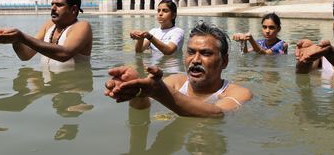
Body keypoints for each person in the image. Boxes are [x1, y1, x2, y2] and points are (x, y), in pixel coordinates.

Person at [105, 21, 253, 117]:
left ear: (224, 61)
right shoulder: (175, 82)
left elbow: (217, 113)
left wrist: (160, 92)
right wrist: (138, 92)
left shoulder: (238, 93)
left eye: (205, 53)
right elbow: (142, 110)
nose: (195, 60)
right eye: (190, 52)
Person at [0, 0, 92, 66]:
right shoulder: (49, 26)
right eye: (52, 4)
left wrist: (22, 37)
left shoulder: (82, 26)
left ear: (73, 10)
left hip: (72, 90)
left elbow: (64, 54)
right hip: (49, 90)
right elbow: (26, 56)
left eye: (59, 5)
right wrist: (16, 41)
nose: (53, 8)